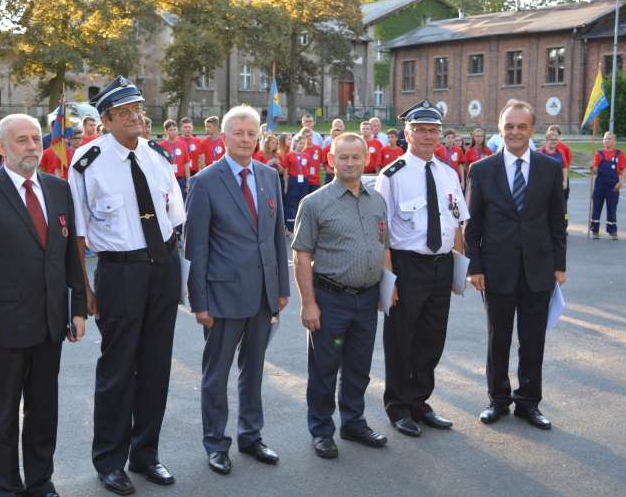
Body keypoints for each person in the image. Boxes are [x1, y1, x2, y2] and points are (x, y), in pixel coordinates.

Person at [0, 113, 86, 497]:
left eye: (35, 138)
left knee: (43, 413)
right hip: (4, 331)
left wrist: (77, 306)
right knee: (3, 418)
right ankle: (6, 488)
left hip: (50, 325)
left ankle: (40, 483)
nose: (32, 146)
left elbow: (68, 256)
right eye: (21, 140)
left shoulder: (59, 189)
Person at [69, 76, 185, 495]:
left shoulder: (157, 155)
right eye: (126, 112)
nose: (138, 117)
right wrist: (85, 290)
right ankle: (110, 462)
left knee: (156, 367)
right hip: (120, 273)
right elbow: (78, 236)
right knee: (117, 371)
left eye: (139, 108)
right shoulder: (87, 161)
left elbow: (175, 218)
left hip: (162, 268)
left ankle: (146, 453)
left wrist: (175, 269)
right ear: (107, 119)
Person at [185, 104, 290, 476]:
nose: (246, 140)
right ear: (223, 137)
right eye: (238, 133)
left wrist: (281, 288)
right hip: (222, 297)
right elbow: (195, 248)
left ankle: (251, 435)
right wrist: (199, 302)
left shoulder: (268, 175)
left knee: (255, 369)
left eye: (252, 134)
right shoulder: (205, 182)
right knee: (217, 375)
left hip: (263, 294)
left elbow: (277, 237)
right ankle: (216, 443)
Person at [465, 100, 566, 430]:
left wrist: (559, 265)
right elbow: (473, 226)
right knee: (499, 338)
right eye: (509, 126)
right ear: (500, 129)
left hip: (539, 268)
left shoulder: (549, 169)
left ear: (532, 130)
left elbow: (557, 223)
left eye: (522, 126)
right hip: (496, 270)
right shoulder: (481, 170)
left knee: (533, 339)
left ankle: (528, 403)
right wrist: (474, 267)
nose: (515, 132)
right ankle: (498, 399)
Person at [292, 133, 391, 460]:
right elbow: (302, 255)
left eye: (356, 157)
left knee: (359, 366)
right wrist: (308, 303)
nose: (350, 163)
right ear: (330, 159)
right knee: (324, 369)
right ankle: (321, 430)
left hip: (367, 299)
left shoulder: (377, 200)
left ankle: (353, 422)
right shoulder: (315, 203)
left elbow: (383, 245)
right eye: (343, 157)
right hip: (330, 299)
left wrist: (389, 286)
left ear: (367, 159)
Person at [374, 100, 468, 437]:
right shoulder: (392, 175)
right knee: (402, 338)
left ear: (440, 134)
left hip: (441, 266)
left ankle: (419, 401)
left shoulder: (448, 173)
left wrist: (458, 268)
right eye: (421, 130)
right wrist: (389, 279)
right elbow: (381, 233)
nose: (428, 136)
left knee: (432, 338)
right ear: (407, 134)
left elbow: (458, 223)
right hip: (407, 266)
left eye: (433, 130)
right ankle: (398, 406)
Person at [589, 131, 626, 239]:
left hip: (613, 186)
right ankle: (594, 230)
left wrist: (621, 182)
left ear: (615, 141)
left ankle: (612, 230)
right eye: (605, 138)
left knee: (612, 208)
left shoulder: (620, 154)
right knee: (596, 207)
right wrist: (592, 167)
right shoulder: (599, 154)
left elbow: (623, 170)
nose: (607, 140)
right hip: (600, 185)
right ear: (602, 141)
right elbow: (595, 169)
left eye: (609, 138)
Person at [284, 134, 309, 233]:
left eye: (303, 143)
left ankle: (300, 225)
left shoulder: (306, 155)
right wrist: (286, 185)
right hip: (294, 180)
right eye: (300, 143)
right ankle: (290, 227)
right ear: (295, 143)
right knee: (292, 203)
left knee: (302, 202)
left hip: (304, 180)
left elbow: (306, 168)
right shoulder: (290, 155)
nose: (302, 145)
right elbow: (286, 170)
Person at [161, 119, 191, 199]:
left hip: (181, 180)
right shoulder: (162, 146)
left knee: (182, 202)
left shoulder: (182, 144)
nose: (173, 131)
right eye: (170, 130)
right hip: (168, 180)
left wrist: (188, 181)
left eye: (175, 129)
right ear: (166, 131)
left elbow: (186, 163)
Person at [547, 125, 572, 204]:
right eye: (551, 132)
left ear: (559, 135)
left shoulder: (565, 147)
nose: (554, 134)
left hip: (562, 177)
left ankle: (566, 217)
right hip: (549, 179)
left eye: (556, 133)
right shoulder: (544, 149)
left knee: (564, 203)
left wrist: (564, 178)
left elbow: (567, 162)